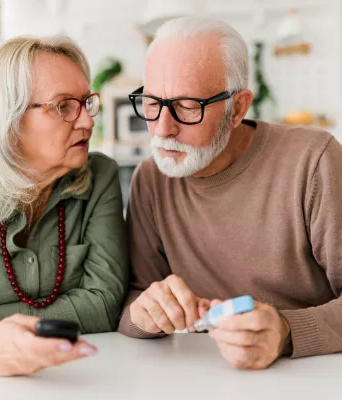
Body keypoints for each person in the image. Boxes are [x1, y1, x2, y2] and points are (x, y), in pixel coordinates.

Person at [119, 16, 342, 370]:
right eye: (150, 102)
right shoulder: (151, 178)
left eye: (188, 106)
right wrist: (144, 316)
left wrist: (286, 332)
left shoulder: (313, 161)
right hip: (203, 378)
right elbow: (135, 298)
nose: (162, 129)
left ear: (237, 108)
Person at [0, 35, 128, 375]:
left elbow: (103, 306)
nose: (87, 121)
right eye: (63, 106)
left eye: (87, 103)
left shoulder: (100, 176)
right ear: (9, 119)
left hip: (86, 375)